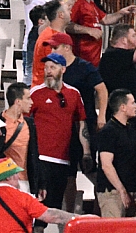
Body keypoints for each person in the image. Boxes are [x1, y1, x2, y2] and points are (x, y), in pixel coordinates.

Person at [30, 51, 91, 212]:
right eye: (46, 67)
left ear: (63, 69)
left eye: (52, 67)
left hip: (63, 159)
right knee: (39, 209)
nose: (48, 71)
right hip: (41, 158)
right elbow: (23, 123)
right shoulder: (35, 93)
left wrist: (86, 152)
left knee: (56, 206)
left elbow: (81, 124)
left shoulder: (74, 94)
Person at [0, 157, 82, 233]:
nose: (18, 177)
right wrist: (80, 218)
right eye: (16, 174)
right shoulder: (22, 198)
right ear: (9, 177)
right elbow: (51, 215)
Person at [95, 89, 136, 217]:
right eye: (133, 103)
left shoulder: (131, 129)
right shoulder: (108, 131)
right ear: (123, 107)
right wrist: (121, 190)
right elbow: (106, 164)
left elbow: (135, 157)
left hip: (133, 188)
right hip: (113, 192)